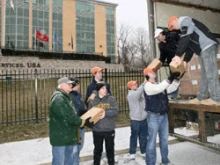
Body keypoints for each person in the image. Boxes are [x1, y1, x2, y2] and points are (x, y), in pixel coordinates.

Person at [168, 16, 220, 105]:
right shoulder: (186, 30)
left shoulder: (185, 20)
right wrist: (185, 61)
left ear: (175, 20)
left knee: (211, 73)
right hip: (202, 49)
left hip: (208, 46)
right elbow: (190, 47)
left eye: (172, 26)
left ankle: (216, 98)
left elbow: (186, 38)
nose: (173, 29)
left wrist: (177, 55)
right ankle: (202, 97)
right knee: (204, 74)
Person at [49, 77, 94, 165]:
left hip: (67, 136)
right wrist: (82, 121)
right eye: (69, 84)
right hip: (61, 138)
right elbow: (69, 117)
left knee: (69, 161)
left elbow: (71, 114)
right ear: (62, 85)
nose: (71, 85)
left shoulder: (65, 97)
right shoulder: (59, 98)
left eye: (71, 84)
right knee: (59, 162)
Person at [143, 68, 180, 165]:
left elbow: (171, 88)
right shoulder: (147, 86)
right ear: (147, 75)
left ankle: (165, 161)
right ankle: (150, 163)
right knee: (151, 141)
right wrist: (169, 79)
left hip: (164, 116)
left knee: (164, 140)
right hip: (153, 117)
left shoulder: (159, 84)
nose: (154, 72)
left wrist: (176, 79)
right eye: (151, 72)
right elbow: (158, 89)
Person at [88, 81, 119, 165]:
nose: (105, 90)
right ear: (98, 90)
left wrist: (106, 113)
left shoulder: (111, 99)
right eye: (103, 88)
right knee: (97, 150)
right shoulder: (93, 101)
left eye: (105, 88)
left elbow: (116, 111)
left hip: (109, 129)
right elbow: (89, 114)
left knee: (110, 150)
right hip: (97, 130)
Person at [154, 28, 181, 100]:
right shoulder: (161, 45)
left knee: (182, 77)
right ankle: (173, 96)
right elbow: (163, 55)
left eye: (158, 36)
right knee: (173, 79)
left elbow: (182, 43)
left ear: (162, 33)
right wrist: (159, 63)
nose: (158, 38)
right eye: (156, 37)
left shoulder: (173, 35)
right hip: (172, 63)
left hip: (180, 59)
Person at [127, 80, 148, 160]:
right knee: (134, 137)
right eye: (134, 84)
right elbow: (138, 92)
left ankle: (143, 151)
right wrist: (144, 83)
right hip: (135, 120)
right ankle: (132, 152)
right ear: (130, 87)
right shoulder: (131, 94)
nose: (136, 85)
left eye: (136, 84)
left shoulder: (140, 93)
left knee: (143, 136)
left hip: (143, 119)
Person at [69, 77, 87, 158]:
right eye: (77, 84)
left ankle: (76, 159)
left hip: (82, 122)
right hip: (76, 125)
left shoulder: (78, 94)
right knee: (75, 146)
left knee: (80, 145)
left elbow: (81, 107)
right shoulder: (69, 96)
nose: (79, 85)